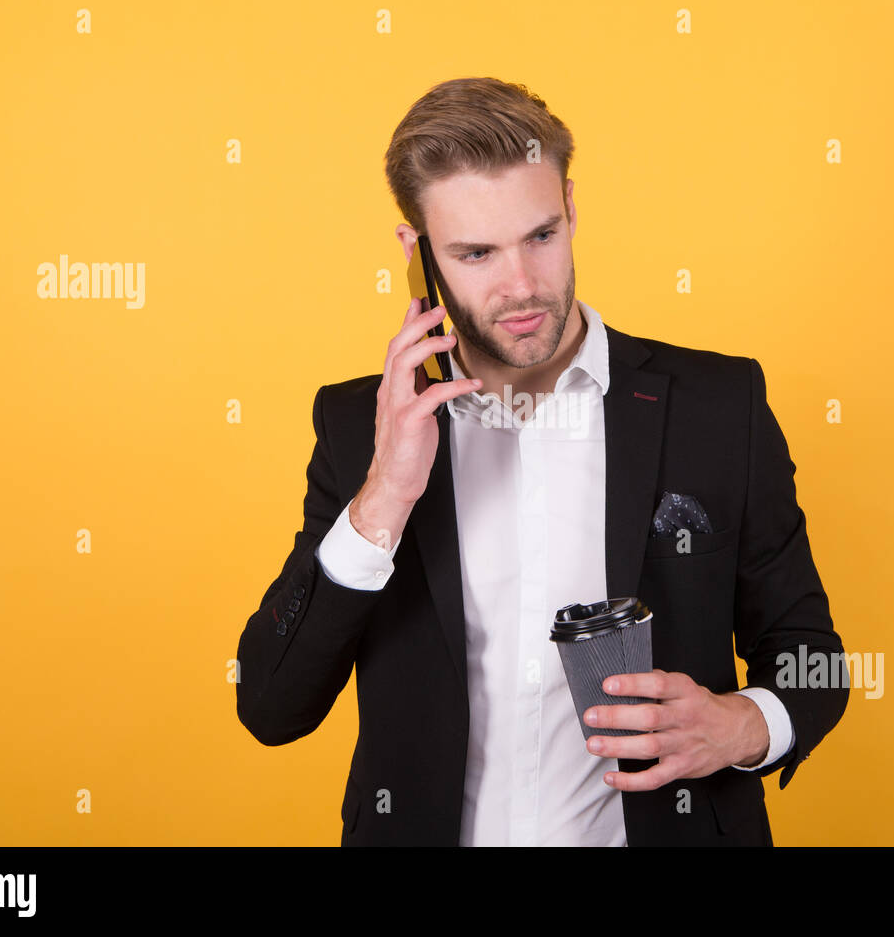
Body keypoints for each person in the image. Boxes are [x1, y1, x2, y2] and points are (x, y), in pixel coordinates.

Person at [236, 76, 848, 846]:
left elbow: (812, 659)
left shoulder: (717, 405)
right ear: (417, 254)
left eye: (541, 235)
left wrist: (743, 724)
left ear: (570, 205)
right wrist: (384, 496)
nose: (521, 285)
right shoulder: (360, 426)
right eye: (475, 253)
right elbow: (270, 703)